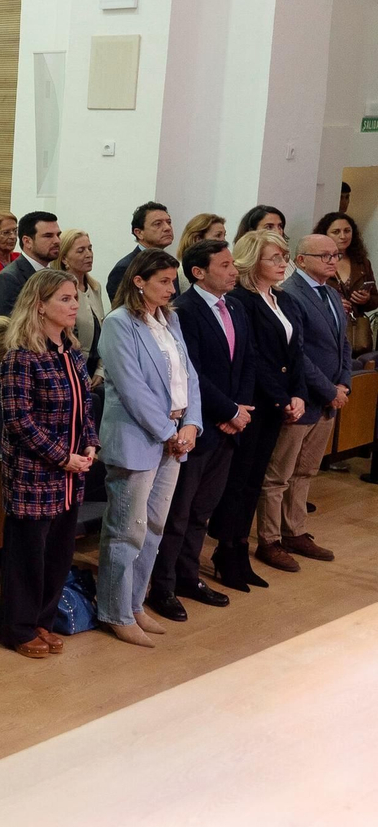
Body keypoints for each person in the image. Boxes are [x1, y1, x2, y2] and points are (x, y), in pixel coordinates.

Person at [95, 248, 200, 647]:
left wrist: (192, 423)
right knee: (126, 530)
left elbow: (189, 374)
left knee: (154, 527)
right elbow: (131, 387)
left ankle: (136, 604)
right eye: (164, 281)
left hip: (173, 435)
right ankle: (114, 611)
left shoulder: (169, 319)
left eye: (173, 281)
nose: (172, 289)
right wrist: (167, 430)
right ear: (139, 281)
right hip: (139, 437)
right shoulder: (119, 324)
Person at [145, 239, 252, 621]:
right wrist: (227, 410)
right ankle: (165, 584)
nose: (233, 270)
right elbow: (193, 374)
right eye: (224, 265)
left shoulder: (236, 306)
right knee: (179, 511)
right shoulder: (185, 311)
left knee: (203, 510)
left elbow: (246, 362)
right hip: (198, 425)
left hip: (229, 426)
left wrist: (239, 410)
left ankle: (189, 575)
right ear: (199, 272)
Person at [0, 269, 100, 657]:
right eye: (65, 299)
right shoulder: (21, 357)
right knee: (27, 558)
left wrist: (90, 443)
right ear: (39, 305)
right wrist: (63, 457)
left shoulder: (71, 352)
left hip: (71, 474)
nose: (75, 305)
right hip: (36, 475)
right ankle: (16, 628)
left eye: (75, 298)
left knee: (58, 555)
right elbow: (19, 420)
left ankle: (41, 619)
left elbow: (84, 405)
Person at [208, 230, 302, 589]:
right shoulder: (243, 300)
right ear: (253, 261)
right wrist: (280, 397)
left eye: (284, 257)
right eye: (274, 258)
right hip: (254, 403)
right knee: (239, 481)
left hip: (278, 403)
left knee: (255, 480)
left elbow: (296, 352)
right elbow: (255, 358)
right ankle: (227, 550)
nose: (282, 264)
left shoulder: (283, 300)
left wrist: (298, 394)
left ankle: (240, 548)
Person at [254, 234, 352, 569]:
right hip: (305, 397)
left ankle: (295, 530)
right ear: (301, 259)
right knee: (279, 474)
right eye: (323, 255)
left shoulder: (333, 294)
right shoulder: (292, 293)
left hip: (328, 398)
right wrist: (329, 390)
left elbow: (344, 344)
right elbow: (300, 354)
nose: (331, 260)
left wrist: (345, 384)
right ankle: (270, 539)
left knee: (306, 471)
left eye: (335, 255)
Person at [315, 211, 375, 354]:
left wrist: (365, 299)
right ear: (325, 234)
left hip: (355, 332)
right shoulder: (313, 261)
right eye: (336, 232)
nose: (343, 236)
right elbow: (302, 296)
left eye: (347, 231)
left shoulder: (362, 263)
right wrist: (330, 304)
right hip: (325, 331)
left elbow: (375, 299)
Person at [51, 228, 106, 381]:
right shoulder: (58, 291)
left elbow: (102, 331)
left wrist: (100, 370)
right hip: (71, 369)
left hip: (95, 369)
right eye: (80, 251)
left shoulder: (95, 288)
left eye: (90, 248)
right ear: (64, 259)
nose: (88, 254)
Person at [0, 211, 60, 318]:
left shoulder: (57, 276)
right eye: (48, 236)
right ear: (27, 242)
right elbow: (4, 327)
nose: (57, 241)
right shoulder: (8, 279)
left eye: (58, 235)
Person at [105, 201, 174, 298]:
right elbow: (123, 308)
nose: (167, 228)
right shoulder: (125, 268)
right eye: (158, 224)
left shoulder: (169, 264)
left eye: (169, 222)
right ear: (139, 233)